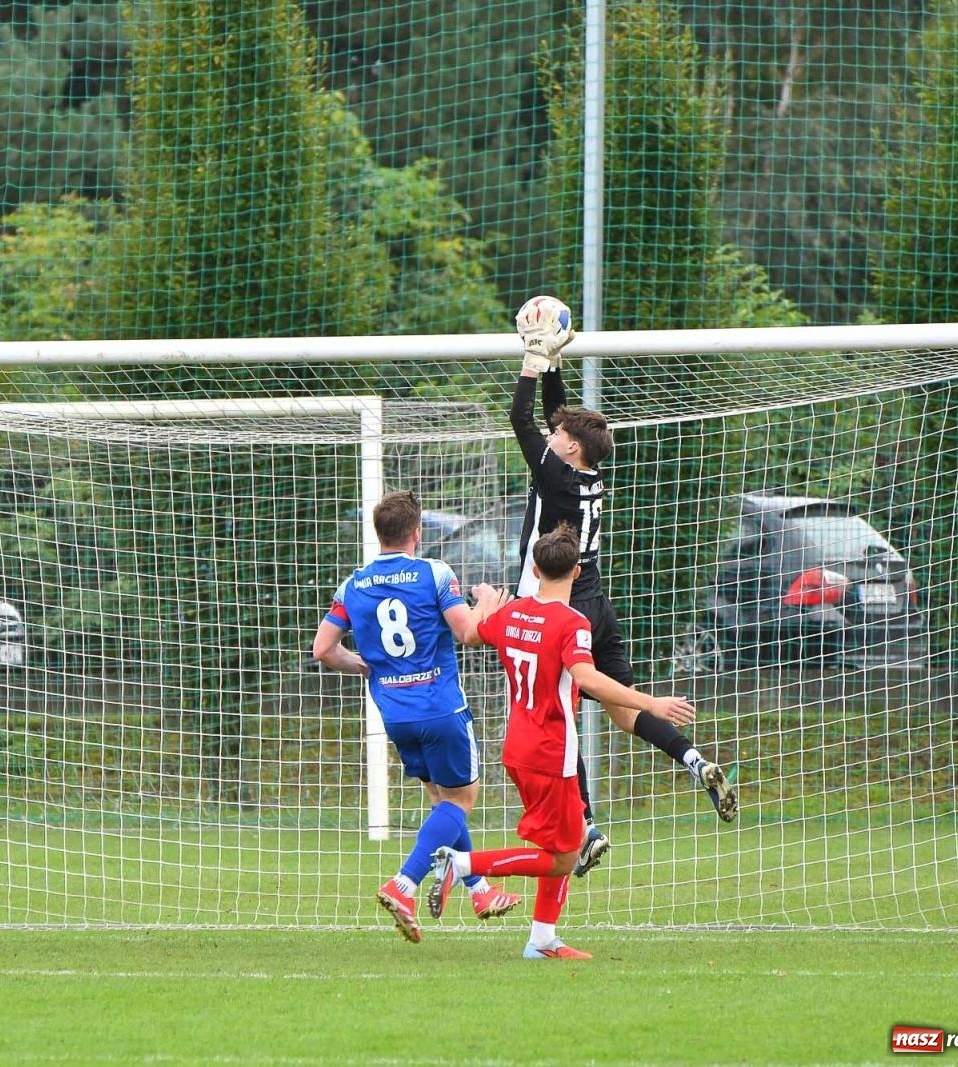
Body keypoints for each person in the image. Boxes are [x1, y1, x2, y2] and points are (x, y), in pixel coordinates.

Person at [511, 303, 737, 879]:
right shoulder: (585, 473)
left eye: (559, 433)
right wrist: (557, 363)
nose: (553, 432)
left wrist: (532, 364)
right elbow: (554, 419)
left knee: (555, 713)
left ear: (568, 449)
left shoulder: (556, 476)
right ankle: (694, 760)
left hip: (563, 607)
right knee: (621, 711)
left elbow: (521, 417)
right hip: (598, 602)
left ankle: (582, 824)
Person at [429, 523, 698, 959]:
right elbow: (588, 677)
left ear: (534, 569)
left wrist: (482, 604)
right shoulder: (572, 622)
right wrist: (650, 702)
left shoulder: (512, 613)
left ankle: (542, 940)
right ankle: (462, 865)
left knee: (560, 844)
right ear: (576, 573)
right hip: (553, 752)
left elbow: (474, 634)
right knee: (565, 857)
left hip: (517, 747)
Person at [312, 489, 520, 943]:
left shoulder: (353, 584)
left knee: (442, 802)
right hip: (441, 708)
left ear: (378, 533)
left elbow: (323, 649)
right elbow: (468, 633)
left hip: (395, 714)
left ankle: (479, 889)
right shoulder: (434, 572)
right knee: (461, 802)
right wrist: (488, 602)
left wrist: (365, 665)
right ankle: (404, 884)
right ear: (416, 533)